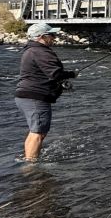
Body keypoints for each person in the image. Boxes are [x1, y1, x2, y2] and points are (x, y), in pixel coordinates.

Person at [14, 22, 77, 162]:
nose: (54, 37)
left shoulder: (31, 50)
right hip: (35, 98)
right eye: (51, 35)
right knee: (37, 132)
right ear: (42, 37)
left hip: (27, 96)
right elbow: (55, 74)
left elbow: (46, 74)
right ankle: (31, 166)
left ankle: (30, 159)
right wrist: (71, 74)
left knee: (38, 132)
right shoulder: (40, 51)